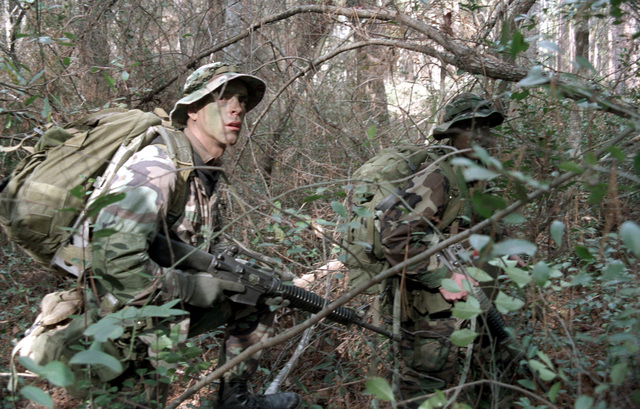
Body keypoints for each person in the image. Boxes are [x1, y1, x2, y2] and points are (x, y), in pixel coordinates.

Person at [87, 63, 301, 408]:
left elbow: (197, 245)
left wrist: (248, 273)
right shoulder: (158, 166)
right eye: (221, 98)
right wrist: (193, 288)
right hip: (120, 320)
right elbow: (114, 263)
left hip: (161, 307)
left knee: (258, 293)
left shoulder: (204, 170)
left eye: (242, 100)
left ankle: (234, 400)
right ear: (192, 110)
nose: (236, 108)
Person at [375, 93, 508, 407]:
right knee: (425, 389)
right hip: (431, 313)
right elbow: (395, 238)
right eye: (473, 128)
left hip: (470, 303)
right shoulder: (438, 176)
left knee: (488, 373)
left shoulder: (474, 175)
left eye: (488, 129)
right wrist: (445, 276)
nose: (484, 138)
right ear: (452, 133)